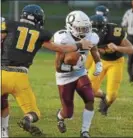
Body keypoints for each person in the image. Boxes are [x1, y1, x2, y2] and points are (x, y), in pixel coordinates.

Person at [1, 5, 92, 137]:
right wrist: (79, 45)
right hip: (20, 77)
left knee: (3, 105)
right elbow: (59, 48)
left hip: (1, 73)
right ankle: (28, 119)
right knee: (34, 113)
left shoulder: (9, 24)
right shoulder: (41, 33)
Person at [53, 11, 103, 138]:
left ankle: (84, 131)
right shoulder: (63, 38)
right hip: (64, 77)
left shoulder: (91, 36)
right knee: (68, 113)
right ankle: (60, 116)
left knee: (90, 99)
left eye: (86, 28)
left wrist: (98, 63)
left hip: (80, 73)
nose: (84, 31)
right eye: (80, 28)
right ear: (70, 27)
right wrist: (73, 65)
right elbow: (58, 68)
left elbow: (93, 49)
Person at [86, 14, 133, 116]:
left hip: (115, 62)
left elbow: (132, 50)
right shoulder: (86, 33)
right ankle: (103, 97)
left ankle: (106, 104)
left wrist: (117, 48)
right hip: (99, 61)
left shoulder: (115, 32)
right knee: (88, 89)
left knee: (112, 95)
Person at [121, 0, 133, 82]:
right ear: (132, 2)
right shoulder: (128, 13)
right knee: (131, 58)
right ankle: (132, 77)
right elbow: (123, 25)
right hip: (131, 38)